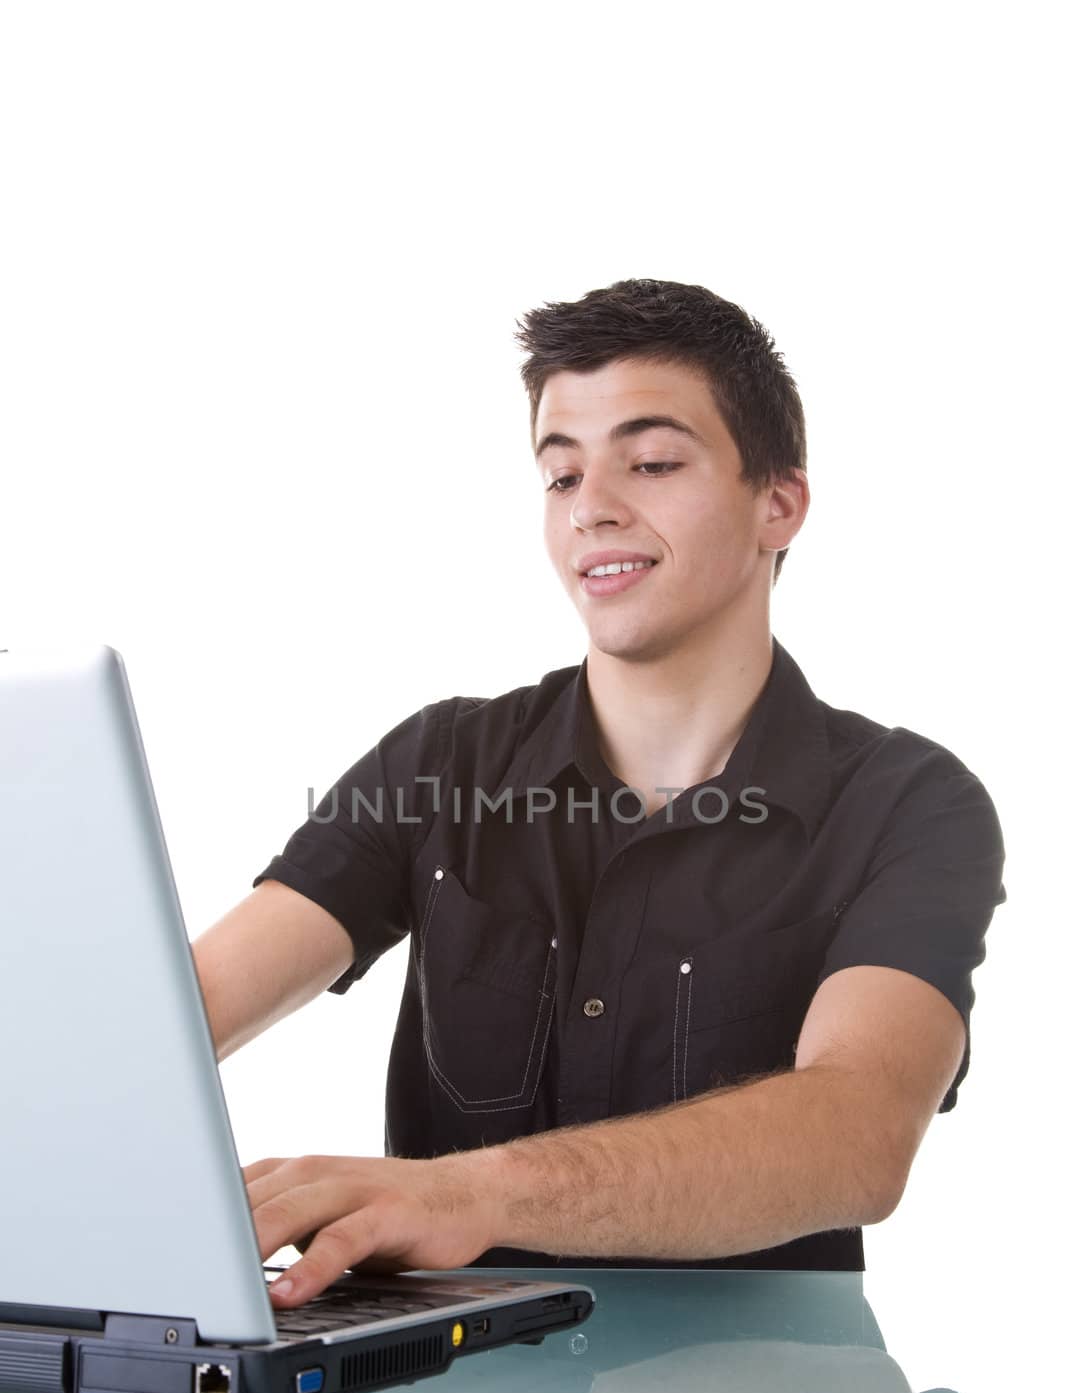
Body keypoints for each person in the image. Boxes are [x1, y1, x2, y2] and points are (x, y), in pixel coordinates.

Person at [191, 279, 1007, 1306]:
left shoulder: (908, 804)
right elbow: (175, 1021)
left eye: (652, 462)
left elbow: (858, 1132)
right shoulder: (438, 764)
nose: (592, 507)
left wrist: (471, 1194)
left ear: (778, 501)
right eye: (559, 473)